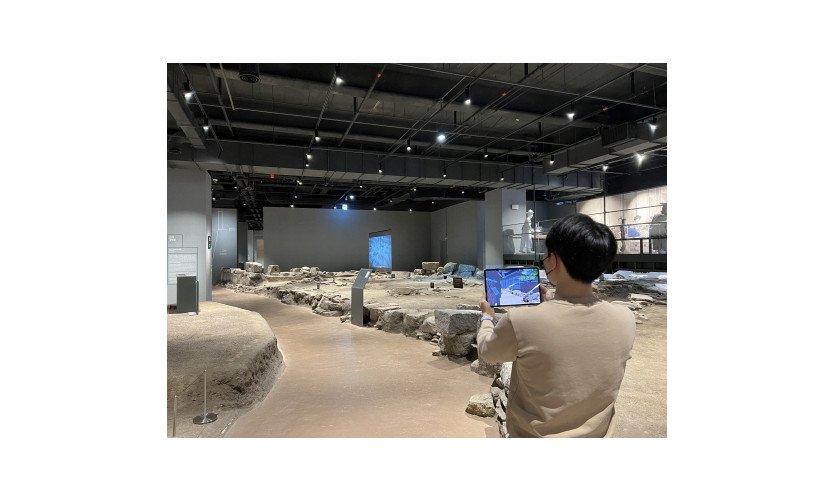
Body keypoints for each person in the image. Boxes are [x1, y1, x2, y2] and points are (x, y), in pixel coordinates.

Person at [477, 214, 636, 437]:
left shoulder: (521, 321)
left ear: (553, 260)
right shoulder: (625, 318)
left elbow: (488, 352)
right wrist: (554, 301)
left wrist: (486, 317)